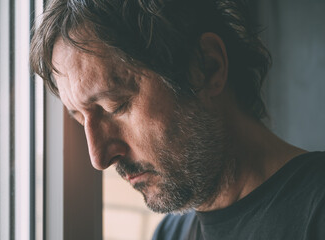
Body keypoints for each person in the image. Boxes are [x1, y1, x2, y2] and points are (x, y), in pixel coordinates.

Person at [30, 0, 325, 239]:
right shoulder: (170, 234)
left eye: (115, 105)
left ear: (207, 67)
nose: (99, 157)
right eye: (81, 119)